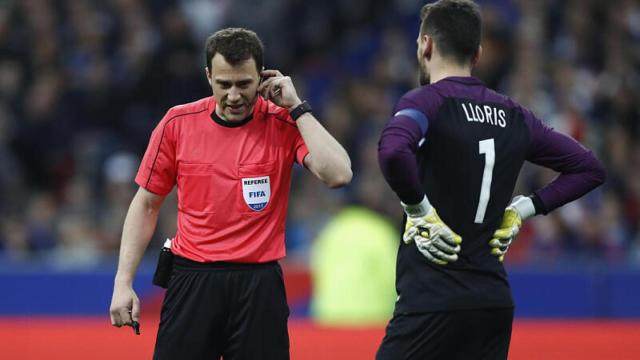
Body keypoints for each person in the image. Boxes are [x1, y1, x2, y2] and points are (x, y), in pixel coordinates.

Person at [376, 1, 605, 359]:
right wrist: (523, 210)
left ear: (425, 45)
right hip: (492, 304)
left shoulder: (426, 102)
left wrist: (419, 210)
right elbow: (589, 168)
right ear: (478, 54)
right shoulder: (514, 115)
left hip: (431, 301)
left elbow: (392, 151)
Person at [109, 27, 352, 360]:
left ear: (262, 77)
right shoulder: (177, 124)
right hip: (193, 280)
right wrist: (123, 282)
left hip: (259, 285)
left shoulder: (283, 123)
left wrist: (296, 106)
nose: (234, 96)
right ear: (208, 76)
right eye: (224, 84)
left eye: (244, 84)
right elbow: (147, 204)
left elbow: (338, 174)